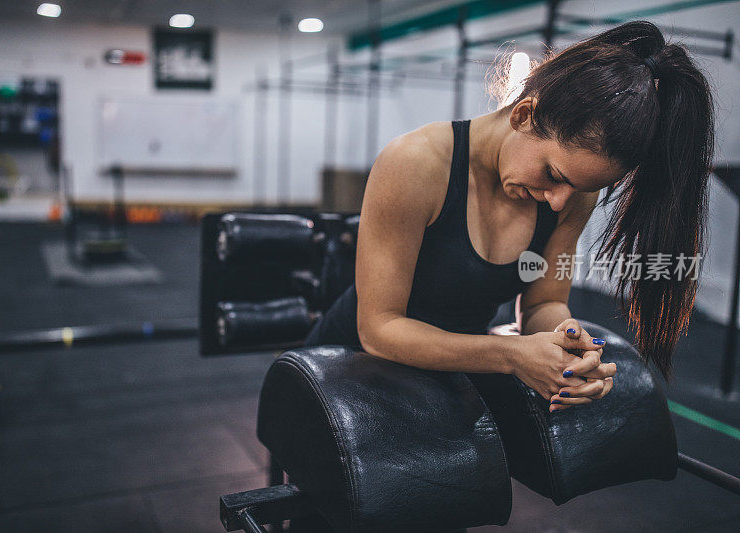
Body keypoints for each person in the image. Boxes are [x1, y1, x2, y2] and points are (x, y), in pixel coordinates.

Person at [304, 20, 714, 413]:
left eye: (580, 188)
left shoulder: (571, 194)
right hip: (343, 372)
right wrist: (513, 355)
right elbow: (379, 329)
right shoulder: (415, 163)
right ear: (523, 115)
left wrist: (567, 346)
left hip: (447, 374)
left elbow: (544, 302)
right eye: (553, 175)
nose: (557, 202)